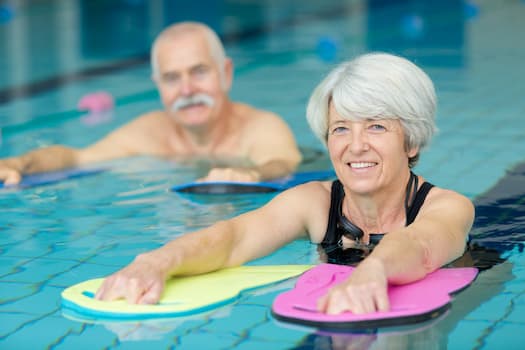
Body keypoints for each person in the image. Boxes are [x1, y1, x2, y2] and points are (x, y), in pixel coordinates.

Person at [95, 52, 475, 315]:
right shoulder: (314, 204)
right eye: (340, 129)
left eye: (376, 126)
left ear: (411, 140)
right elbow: (232, 239)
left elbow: (420, 246)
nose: (355, 145)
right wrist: (155, 263)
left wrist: (373, 270)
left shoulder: (448, 206)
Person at [0, 22, 301, 185]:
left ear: (226, 73)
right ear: (158, 86)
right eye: (172, 78)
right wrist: (19, 164)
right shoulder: (149, 133)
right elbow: (76, 158)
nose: (187, 89)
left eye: (199, 72)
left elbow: (281, 164)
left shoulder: (261, 127)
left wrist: (252, 176)